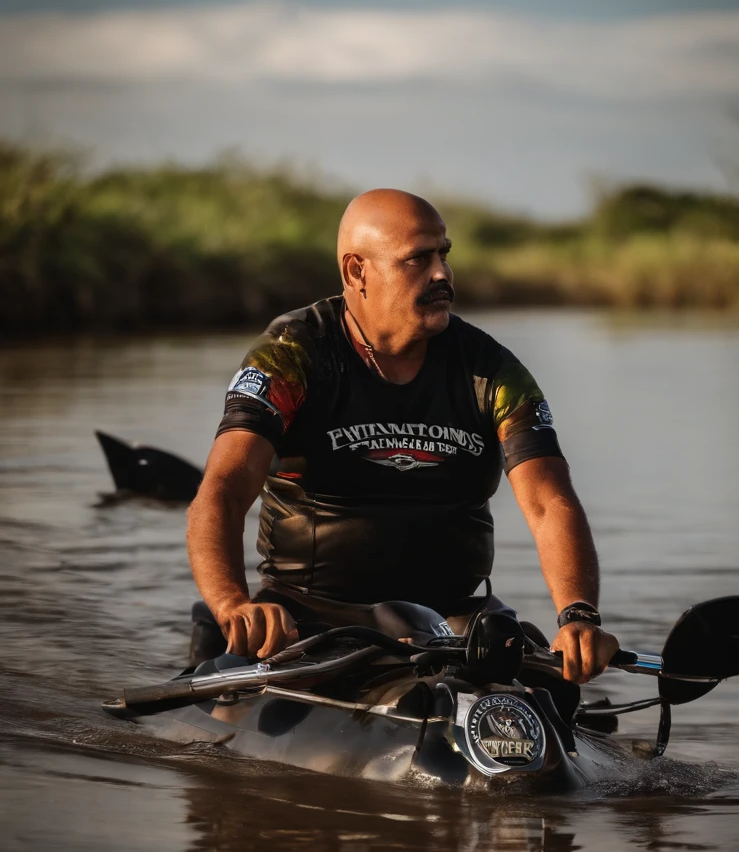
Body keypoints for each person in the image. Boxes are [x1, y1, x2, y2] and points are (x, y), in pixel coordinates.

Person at [186, 189, 618, 684]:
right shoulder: (291, 356)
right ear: (356, 272)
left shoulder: (492, 370)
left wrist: (579, 616)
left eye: (444, 254)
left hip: (455, 623)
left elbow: (548, 503)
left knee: (549, 690)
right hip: (311, 622)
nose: (442, 274)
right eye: (418, 259)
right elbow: (221, 491)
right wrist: (233, 605)